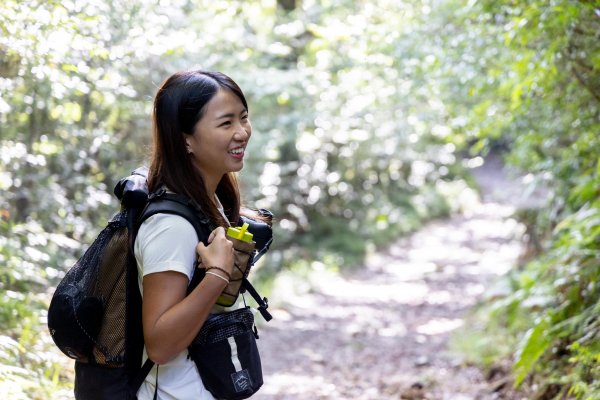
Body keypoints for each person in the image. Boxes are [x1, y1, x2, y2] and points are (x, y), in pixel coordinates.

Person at [134, 70, 252, 399]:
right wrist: (216, 274)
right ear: (185, 138)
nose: (242, 132)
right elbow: (159, 345)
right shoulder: (170, 225)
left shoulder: (206, 202)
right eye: (226, 123)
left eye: (243, 118)